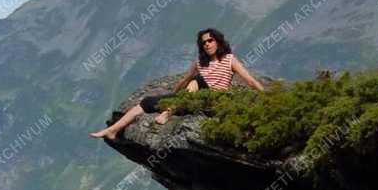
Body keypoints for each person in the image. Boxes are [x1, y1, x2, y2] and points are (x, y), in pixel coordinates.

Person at [90, 27, 265, 141]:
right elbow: (184, 81)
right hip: (192, 99)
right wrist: (172, 95)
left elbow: (249, 80)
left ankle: (167, 113)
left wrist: (267, 96)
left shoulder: (229, 59)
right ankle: (112, 130)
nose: (207, 44)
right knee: (146, 102)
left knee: (198, 81)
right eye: (203, 42)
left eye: (210, 40)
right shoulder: (199, 63)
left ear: (217, 41)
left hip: (216, 100)